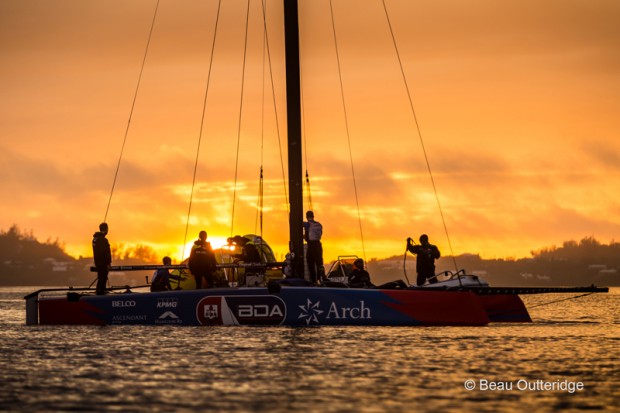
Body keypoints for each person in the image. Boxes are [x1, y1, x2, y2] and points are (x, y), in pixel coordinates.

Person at [303, 210, 323, 284]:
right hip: (318, 245)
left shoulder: (307, 224)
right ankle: (321, 279)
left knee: (310, 262)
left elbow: (298, 223)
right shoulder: (319, 225)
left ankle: (313, 281)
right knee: (319, 263)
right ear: (313, 216)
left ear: (306, 217)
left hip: (311, 246)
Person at [92, 222, 111, 295]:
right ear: (106, 229)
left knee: (100, 277)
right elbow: (106, 252)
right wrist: (108, 263)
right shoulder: (104, 240)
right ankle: (101, 292)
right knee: (103, 277)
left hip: (97, 262)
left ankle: (99, 291)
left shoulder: (95, 239)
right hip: (103, 263)